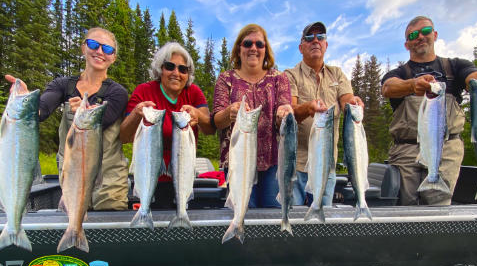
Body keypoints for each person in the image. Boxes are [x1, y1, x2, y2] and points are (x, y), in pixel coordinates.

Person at [6, 27, 129, 210]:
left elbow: (101, 121)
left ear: (113, 57)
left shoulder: (117, 92)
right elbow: (42, 110)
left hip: (109, 183)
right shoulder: (62, 85)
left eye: (108, 49)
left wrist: (85, 112)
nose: (100, 52)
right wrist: (25, 102)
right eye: (94, 45)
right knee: (74, 225)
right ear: (83, 48)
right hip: (72, 176)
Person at [381, 15, 477, 206]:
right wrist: (413, 85)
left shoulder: (455, 66)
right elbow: (388, 87)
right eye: (413, 35)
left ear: (435, 35)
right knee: (404, 205)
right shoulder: (400, 73)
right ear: (406, 44)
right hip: (406, 150)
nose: (420, 37)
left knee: (437, 205)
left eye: (426, 31)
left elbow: (473, 77)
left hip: (446, 148)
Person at [120, 42, 213, 208]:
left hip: (183, 175)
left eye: (183, 69)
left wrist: (197, 114)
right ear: (160, 69)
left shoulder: (194, 92)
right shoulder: (143, 91)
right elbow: (125, 136)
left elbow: (209, 128)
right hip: (150, 176)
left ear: (188, 74)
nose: (176, 73)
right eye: (170, 66)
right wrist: (136, 113)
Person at [212, 23, 293, 208]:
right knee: (242, 210)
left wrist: (284, 113)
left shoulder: (279, 79)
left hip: (273, 162)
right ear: (239, 49)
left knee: (273, 214)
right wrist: (229, 113)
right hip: (237, 161)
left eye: (259, 44)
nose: (253, 48)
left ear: (266, 50)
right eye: (247, 43)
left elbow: (284, 105)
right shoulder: (226, 79)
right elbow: (216, 120)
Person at [285, 21, 363, 206]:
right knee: (293, 219)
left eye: (320, 37)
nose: (315, 41)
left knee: (322, 222)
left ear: (326, 45)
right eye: (309, 37)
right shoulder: (290, 75)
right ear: (301, 47)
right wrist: (309, 108)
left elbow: (347, 101)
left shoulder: (337, 74)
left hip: (327, 165)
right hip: (296, 164)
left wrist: (354, 103)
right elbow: (290, 111)